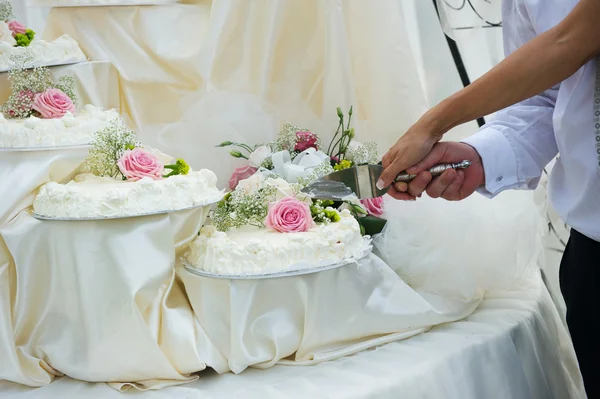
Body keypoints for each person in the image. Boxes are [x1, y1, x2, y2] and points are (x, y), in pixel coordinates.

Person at [378, 0, 600, 397]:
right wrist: (479, 157)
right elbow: (546, 97)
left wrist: (432, 123)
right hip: (594, 256)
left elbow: (573, 39)